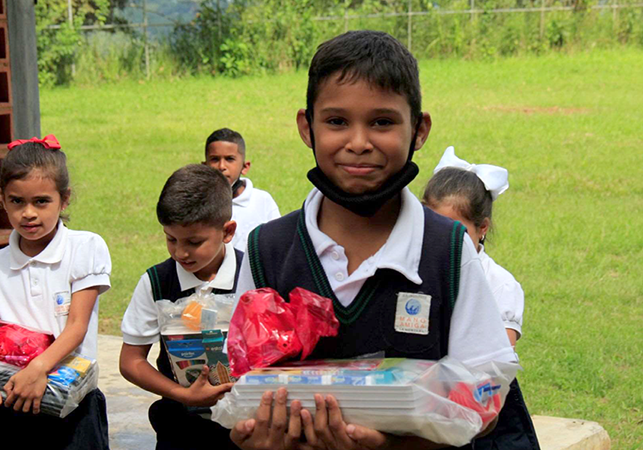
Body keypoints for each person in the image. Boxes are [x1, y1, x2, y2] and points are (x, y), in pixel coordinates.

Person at [228, 30, 517, 450]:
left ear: (419, 130)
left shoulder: (449, 250)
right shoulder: (265, 250)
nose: (359, 143)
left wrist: (393, 446)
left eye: (382, 122)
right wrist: (257, 438)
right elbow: (240, 385)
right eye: (337, 121)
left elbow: (487, 397)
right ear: (306, 128)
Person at [0, 135, 112, 449]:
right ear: (2, 200)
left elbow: (76, 326)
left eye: (41, 201)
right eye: (17, 201)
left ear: (65, 198)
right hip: (10, 409)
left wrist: (38, 369)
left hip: (73, 408)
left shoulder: (85, 249)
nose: (28, 213)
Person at [423, 146, 541, 450]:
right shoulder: (415, 269)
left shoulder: (500, 284)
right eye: (434, 227)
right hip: (423, 400)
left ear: (483, 228)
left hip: (481, 408)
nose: (445, 239)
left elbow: (495, 365)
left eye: (457, 230)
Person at [120, 164, 242, 450]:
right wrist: (182, 394)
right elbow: (131, 361)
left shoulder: (253, 274)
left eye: (194, 242)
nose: (180, 252)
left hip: (247, 429)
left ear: (227, 231)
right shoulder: (157, 282)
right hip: (180, 427)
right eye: (170, 239)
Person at [203, 128, 280, 251]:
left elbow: (278, 244)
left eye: (229, 159)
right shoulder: (198, 201)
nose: (222, 166)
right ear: (204, 166)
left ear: (245, 167)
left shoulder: (262, 201)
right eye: (215, 159)